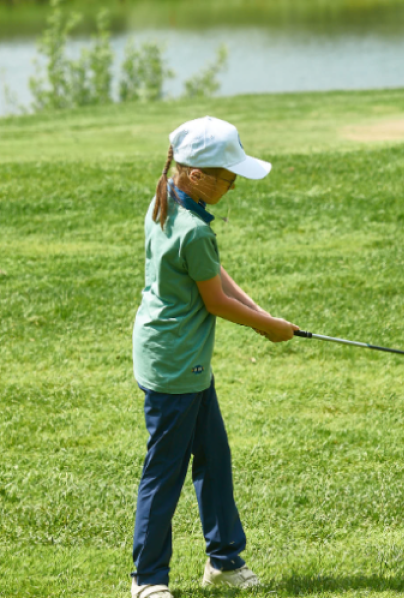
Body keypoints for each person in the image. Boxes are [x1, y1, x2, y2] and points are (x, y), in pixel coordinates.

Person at [130, 116, 299, 598]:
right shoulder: (194, 229)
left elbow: (213, 274)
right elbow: (214, 301)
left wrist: (259, 310)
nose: (232, 186)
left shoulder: (166, 198)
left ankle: (224, 562)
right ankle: (147, 580)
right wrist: (266, 327)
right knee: (164, 473)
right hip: (174, 365)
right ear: (197, 174)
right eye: (228, 177)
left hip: (180, 358)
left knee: (214, 459)